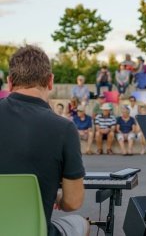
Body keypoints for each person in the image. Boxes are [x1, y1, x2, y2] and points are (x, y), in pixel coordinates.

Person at [0, 45, 89, 236]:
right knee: (81, 222)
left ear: (9, 82)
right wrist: (57, 198)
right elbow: (73, 202)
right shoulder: (64, 129)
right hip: (34, 232)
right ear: (50, 81)